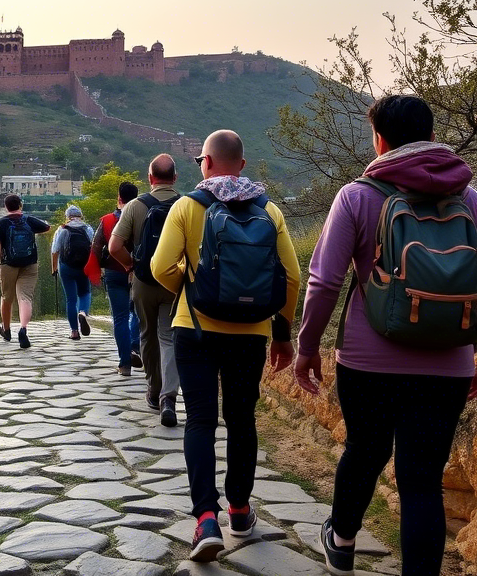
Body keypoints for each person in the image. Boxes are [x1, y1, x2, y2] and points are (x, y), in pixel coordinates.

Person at [295, 95, 477, 576]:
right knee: (422, 483)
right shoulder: (471, 200)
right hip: (448, 364)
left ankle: (343, 541)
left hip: (367, 362)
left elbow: (325, 282)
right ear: (433, 137)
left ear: (379, 139)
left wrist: (307, 347)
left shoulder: (358, 196)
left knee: (364, 450)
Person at [150, 130, 300, 562]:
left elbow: (161, 267)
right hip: (250, 333)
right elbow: (291, 277)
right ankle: (239, 509)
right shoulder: (268, 211)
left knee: (200, 421)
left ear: (208, 164)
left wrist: (190, 287)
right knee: (241, 420)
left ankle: (205, 520)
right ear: (243, 164)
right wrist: (283, 333)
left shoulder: (187, 206)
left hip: (194, 328)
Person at [110, 154, 181, 423]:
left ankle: (153, 390)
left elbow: (115, 247)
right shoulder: (187, 205)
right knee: (169, 336)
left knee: (147, 335)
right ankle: (169, 397)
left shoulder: (135, 207)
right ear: (175, 178)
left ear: (150, 178)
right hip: (175, 282)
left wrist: (131, 266)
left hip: (144, 281)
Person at [86, 182, 139, 372]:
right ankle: (135, 347)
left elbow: (96, 246)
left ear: (119, 198)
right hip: (138, 272)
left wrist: (98, 268)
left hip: (114, 273)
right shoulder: (142, 216)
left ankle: (124, 363)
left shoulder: (107, 220)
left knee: (120, 317)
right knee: (138, 313)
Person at [0, 194, 50, 349]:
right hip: (30, 264)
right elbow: (46, 227)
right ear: (20, 205)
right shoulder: (28, 219)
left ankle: (6, 330)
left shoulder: (0, 224)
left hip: (8, 265)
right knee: (25, 298)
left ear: (5, 207)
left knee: (7, 297)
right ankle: (23, 328)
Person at [51, 205, 95, 340]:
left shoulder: (62, 229)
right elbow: (94, 248)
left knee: (71, 299)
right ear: (80, 216)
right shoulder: (87, 229)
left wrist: (54, 269)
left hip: (66, 267)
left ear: (67, 216)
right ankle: (83, 313)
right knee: (85, 292)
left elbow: (55, 251)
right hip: (84, 266)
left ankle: (74, 331)